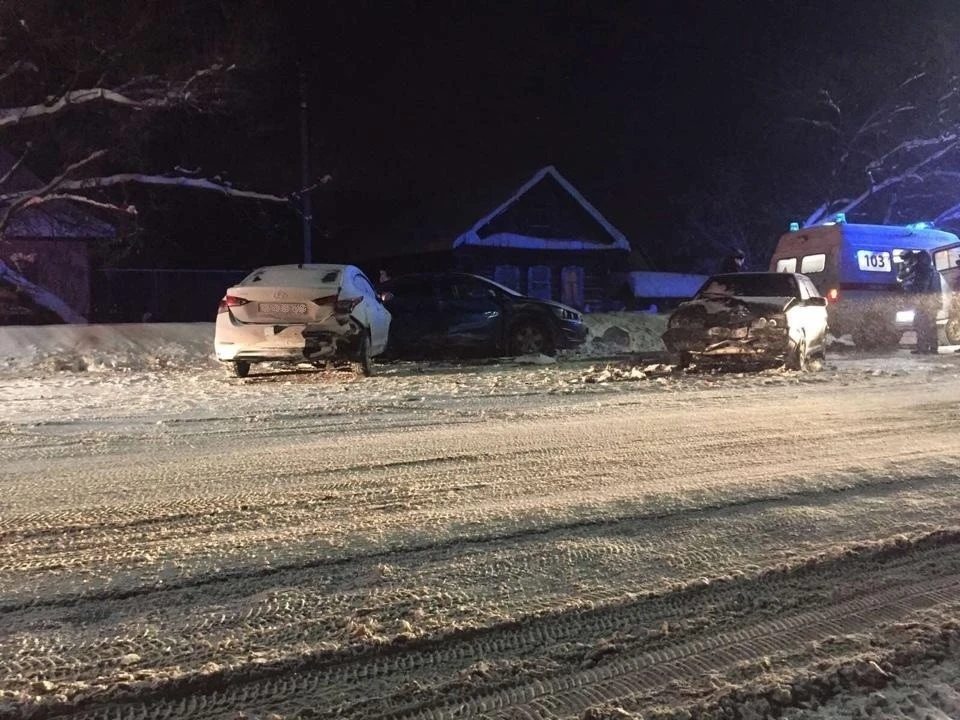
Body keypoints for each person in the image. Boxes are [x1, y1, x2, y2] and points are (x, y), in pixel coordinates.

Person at [898, 250, 939, 354]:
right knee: (930, 325)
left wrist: (908, 288)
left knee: (921, 324)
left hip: (924, 302)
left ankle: (923, 348)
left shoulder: (921, 270)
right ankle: (933, 348)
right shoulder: (931, 270)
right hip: (933, 301)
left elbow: (920, 287)